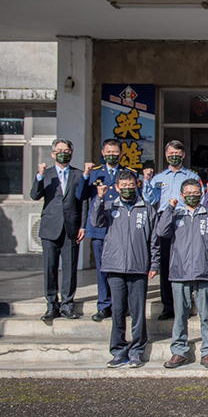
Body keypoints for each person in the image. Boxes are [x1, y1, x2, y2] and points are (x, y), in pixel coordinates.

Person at [89, 171, 159, 368]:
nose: (128, 188)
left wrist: (154, 263)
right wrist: (99, 198)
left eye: (131, 185)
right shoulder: (110, 207)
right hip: (115, 266)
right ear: (117, 187)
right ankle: (119, 351)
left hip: (138, 267)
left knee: (137, 312)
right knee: (118, 311)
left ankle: (137, 350)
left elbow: (154, 239)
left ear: (137, 185)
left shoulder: (146, 209)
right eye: (123, 186)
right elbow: (95, 221)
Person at [157, 179, 208, 369]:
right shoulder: (176, 215)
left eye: (196, 192)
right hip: (180, 273)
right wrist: (169, 210)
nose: (192, 195)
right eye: (188, 193)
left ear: (202, 194)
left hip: (204, 272)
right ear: (181, 196)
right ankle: (179, 351)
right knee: (180, 315)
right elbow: (161, 232)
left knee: (206, 315)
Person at [75, 138, 137, 322]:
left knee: (122, 268)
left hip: (121, 228)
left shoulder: (128, 174)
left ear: (121, 154)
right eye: (108, 152)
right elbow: (81, 195)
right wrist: (85, 175)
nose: (112, 155)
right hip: (100, 228)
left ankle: (120, 304)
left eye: (115, 152)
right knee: (102, 269)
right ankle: (103, 305)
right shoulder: (95, 173)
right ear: (102, 153)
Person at [142, 140, 200, 320]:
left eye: (177, 154)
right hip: (165, 221)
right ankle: (168, 306)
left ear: (183, 155)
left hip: (185, 221)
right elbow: (150, 199)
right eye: (170, 154)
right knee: (166, 264)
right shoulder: (158, 178)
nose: (174, 156)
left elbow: (199, 199)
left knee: (186, 263)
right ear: (166, 155)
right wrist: (147, 181)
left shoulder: (192, 176)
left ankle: (185, 304)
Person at [31, 138, 87, 321]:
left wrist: (83, 226)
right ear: (53, 154)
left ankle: (68, 305)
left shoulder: (79, 175)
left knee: (70, 269)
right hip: (50, 228)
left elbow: (84, 202)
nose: (64, 153)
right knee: (50, 268)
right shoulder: (46, 174)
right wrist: (39, 176)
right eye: (60, 150)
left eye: (67, 150)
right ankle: (51, 305)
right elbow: (34, 195)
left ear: (71, 153)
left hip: (71, 228)